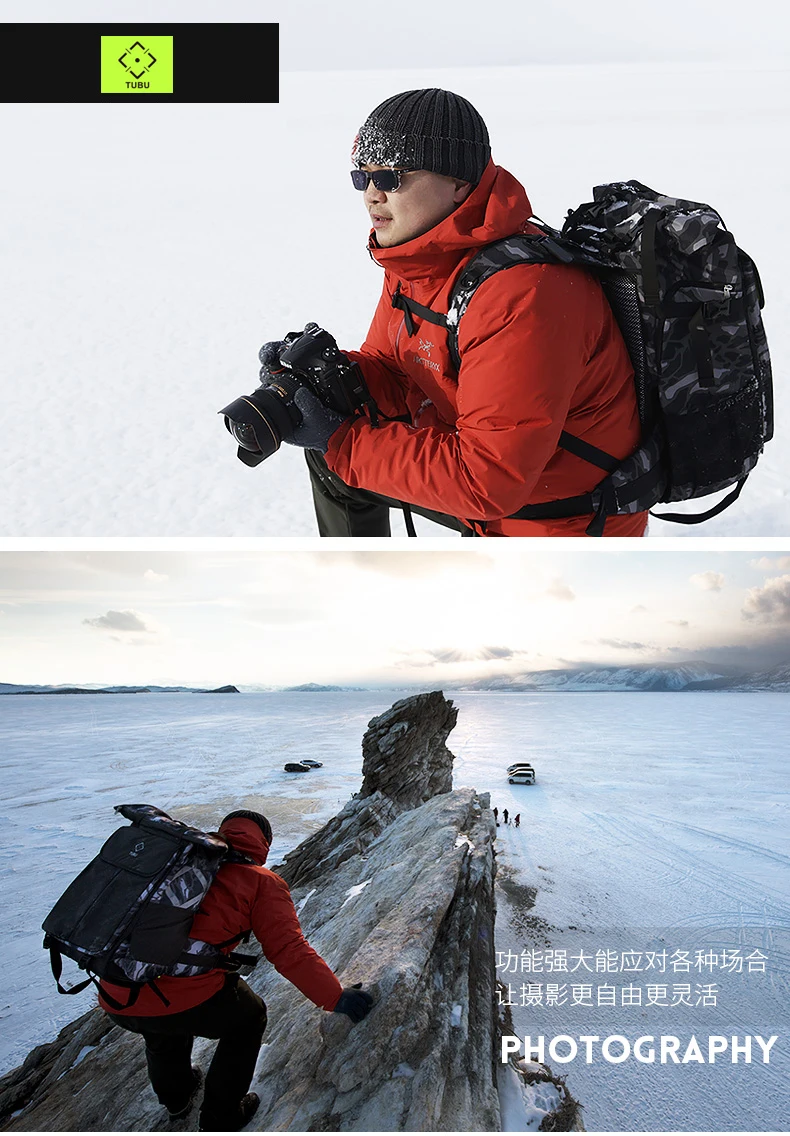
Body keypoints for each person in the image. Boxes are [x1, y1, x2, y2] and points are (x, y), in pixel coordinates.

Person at [265, 87, 647, 537]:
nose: (371, 195)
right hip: (494, 495)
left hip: (560, 521)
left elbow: (489, 479)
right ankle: (358, 591)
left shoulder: (524, 293)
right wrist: (328, 380)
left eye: (391, 177)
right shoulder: (416, 259)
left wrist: (341, 439)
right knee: (333, 460)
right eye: (361, 177)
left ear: (459, 184)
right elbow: (395, 370)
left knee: (342, 450)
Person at [98, 810, 373, 1131]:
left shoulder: (178, 859)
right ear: (264, 844)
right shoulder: (260, 882)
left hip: (117, 990)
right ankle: (222, 1117)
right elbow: (288, 950)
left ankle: (177, 1099)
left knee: (162, 1024)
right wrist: (336, 997)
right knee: (248, 1018)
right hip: (171, 997)